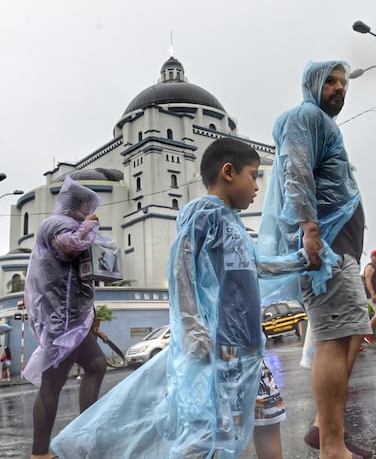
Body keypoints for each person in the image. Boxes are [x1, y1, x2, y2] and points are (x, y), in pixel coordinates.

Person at [49, 138, 308, 459]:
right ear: (228, 172)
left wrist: (302, 259)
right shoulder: (204, 214)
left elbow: (258, 265)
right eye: (253, 175)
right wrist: (193, 326)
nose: (256, 185)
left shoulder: (235, 223)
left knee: (267, 418)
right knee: (208, 433)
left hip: (250, 347)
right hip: (218, 346)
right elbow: (182, 267)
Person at [258, 61, 373, 459]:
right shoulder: (305, 117)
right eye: (331, 81)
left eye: (343, 82)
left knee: (351, 334)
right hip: (327, 248)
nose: (340, 88)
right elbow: (297, 172)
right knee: (333, 338)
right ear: (312, 85)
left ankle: (326, 430)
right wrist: (310, 229)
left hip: (341, 247)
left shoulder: (323, 123)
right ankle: (331, 447)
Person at [24, 175, 108, 459]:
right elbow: (70, 246)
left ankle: (85, 437)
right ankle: (39, 453)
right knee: (52, 384)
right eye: (86, 206)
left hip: (74, 316)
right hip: (61, 319)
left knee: (96, 365)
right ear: (78, 205)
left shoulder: (71, 223)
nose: (89, 210)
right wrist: (91, 223)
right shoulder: (56, 223)